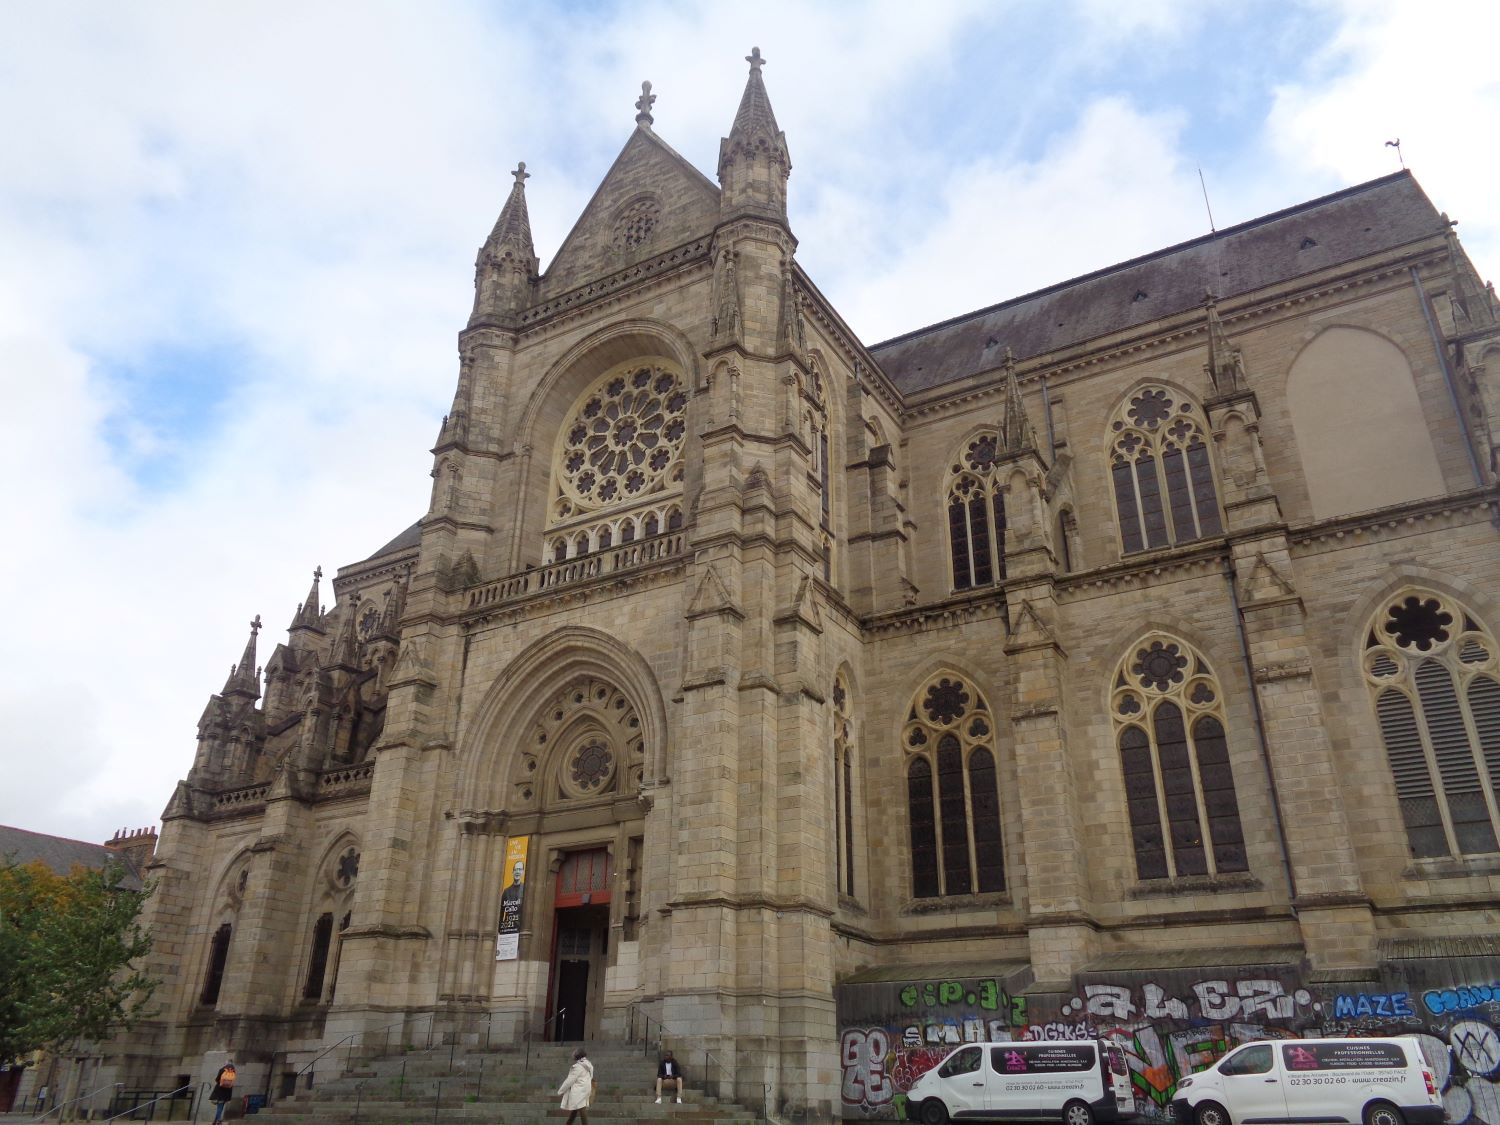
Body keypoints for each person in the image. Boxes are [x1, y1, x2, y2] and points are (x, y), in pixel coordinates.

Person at [557, 1047, 594, 1125]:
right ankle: (568, 1123)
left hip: (579, 1090)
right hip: (585, 1089)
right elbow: (591, 1077)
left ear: (577, 1055)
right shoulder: (589, 1064)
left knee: (581, 1108)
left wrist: (560, 1091)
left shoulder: (577, 1067)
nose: (572, 1054)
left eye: (574, 1053)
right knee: (576, 1108)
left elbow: (569, 1080)